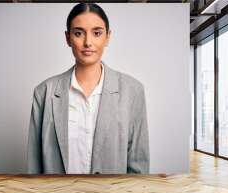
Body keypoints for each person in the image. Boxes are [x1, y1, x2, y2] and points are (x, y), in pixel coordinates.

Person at [27, 3, 149, 174]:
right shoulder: (44, 92)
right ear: (68, 38)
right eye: (78, 33)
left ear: (108, 37)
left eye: (97, 33)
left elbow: (139, 164)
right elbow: (34, 164)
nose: (88, 42)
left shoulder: (133, 91)